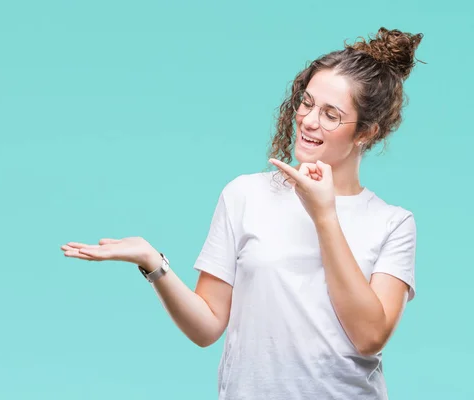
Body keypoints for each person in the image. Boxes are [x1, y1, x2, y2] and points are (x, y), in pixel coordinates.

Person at [61, 27, 423, 400]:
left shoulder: (392, 223)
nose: (309, 121)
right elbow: (207, 327)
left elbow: (368, 337)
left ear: (366, 132)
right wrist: (152, 262)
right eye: (307, 102)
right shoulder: (245, 195)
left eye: (331, 114)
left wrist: (324, 216)